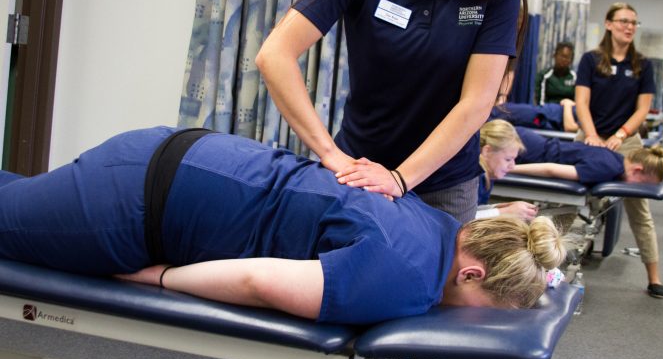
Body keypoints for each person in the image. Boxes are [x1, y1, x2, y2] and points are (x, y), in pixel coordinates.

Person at [0, 127, 568, 326]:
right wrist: (161, 279)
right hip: (132, 207)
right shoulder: (408, 279)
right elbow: (257, 283)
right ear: (471, 273)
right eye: (488, 312)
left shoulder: (435, 221)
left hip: (184, 155)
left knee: (15, 200)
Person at [256, 0, 525, 225]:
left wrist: (401, 179)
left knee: (431, 283)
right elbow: (274, 55)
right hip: (359, 171)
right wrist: (330, 153)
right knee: (336, 278)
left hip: (443, 186)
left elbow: (476, 102)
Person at [574, 2, 663, 299]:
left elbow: (643, 110)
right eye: (624, 21)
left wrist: (620, 135)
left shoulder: (643, 65)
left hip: (625, 140)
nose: (629, 27)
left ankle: (654, 277)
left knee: (639, 209)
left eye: (634, 23)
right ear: (609, 24)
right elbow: (582, 104)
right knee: (576, 200)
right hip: (591, 135)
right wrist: (591, 136)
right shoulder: (591, 60)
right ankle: (566, 257)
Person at [477, 120, 663, 206]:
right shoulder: (608, 168)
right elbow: (551, 170)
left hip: (533, 144)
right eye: (643, 184)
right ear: (638, 169)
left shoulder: (616, 159)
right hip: (531, 150)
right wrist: (511, 168)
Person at [490, 99, 579, 132]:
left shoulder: (591, 122)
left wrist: (567, 104)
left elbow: (570, 127)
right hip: (543, 111)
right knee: (504, 109)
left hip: (542, 118)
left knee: (504, 111)